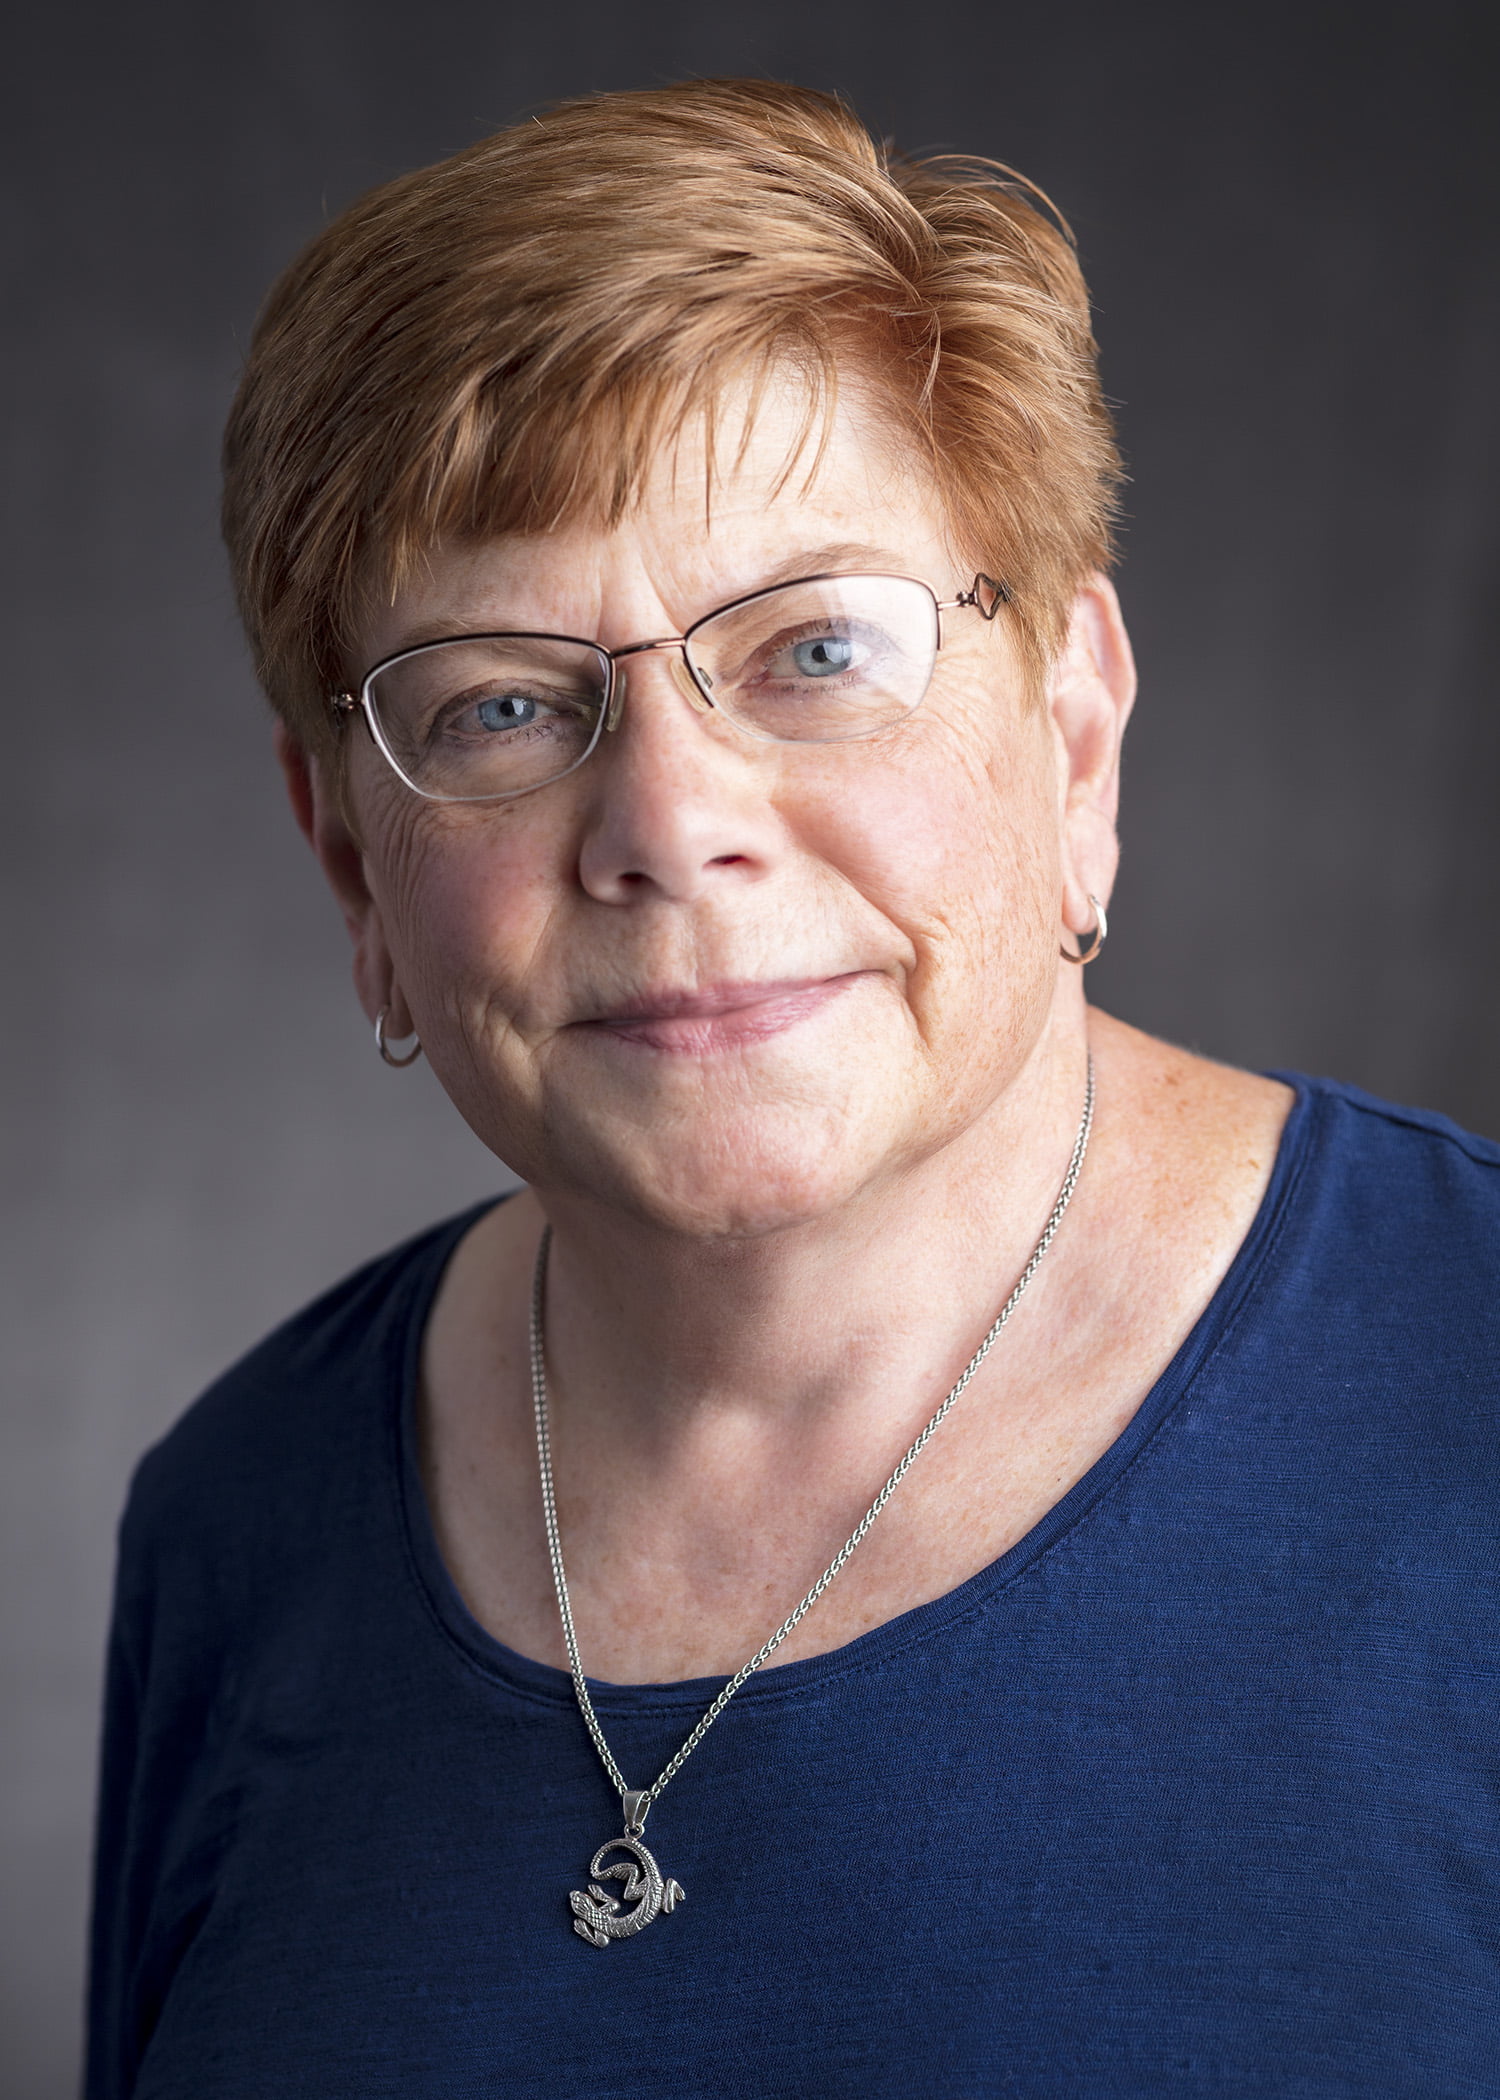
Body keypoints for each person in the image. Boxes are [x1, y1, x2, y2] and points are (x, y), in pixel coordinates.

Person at [87, 78, 1500, 2098]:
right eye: (504, 704)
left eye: (818, 652)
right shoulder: (241, 1522)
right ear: (353, 870)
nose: (669, 826)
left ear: (1073, 733)